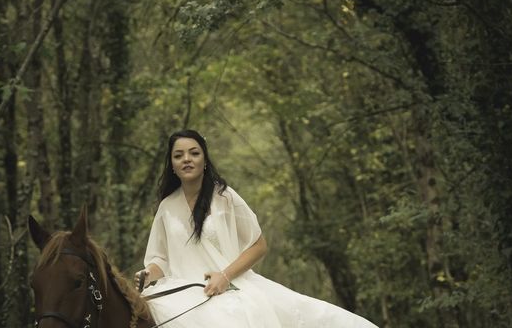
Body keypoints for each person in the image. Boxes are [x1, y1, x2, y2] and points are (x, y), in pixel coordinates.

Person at [135, 129, 378, 328]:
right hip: (182, 291)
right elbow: (160, 259)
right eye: (178, 156)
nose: (186, 159)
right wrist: (149, 273)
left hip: (228, 287)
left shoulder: (224, 197)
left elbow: (258, 245)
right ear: (172, 166)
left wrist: (225, 276)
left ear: (205, 160)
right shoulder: (167, 207)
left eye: (194, 153)